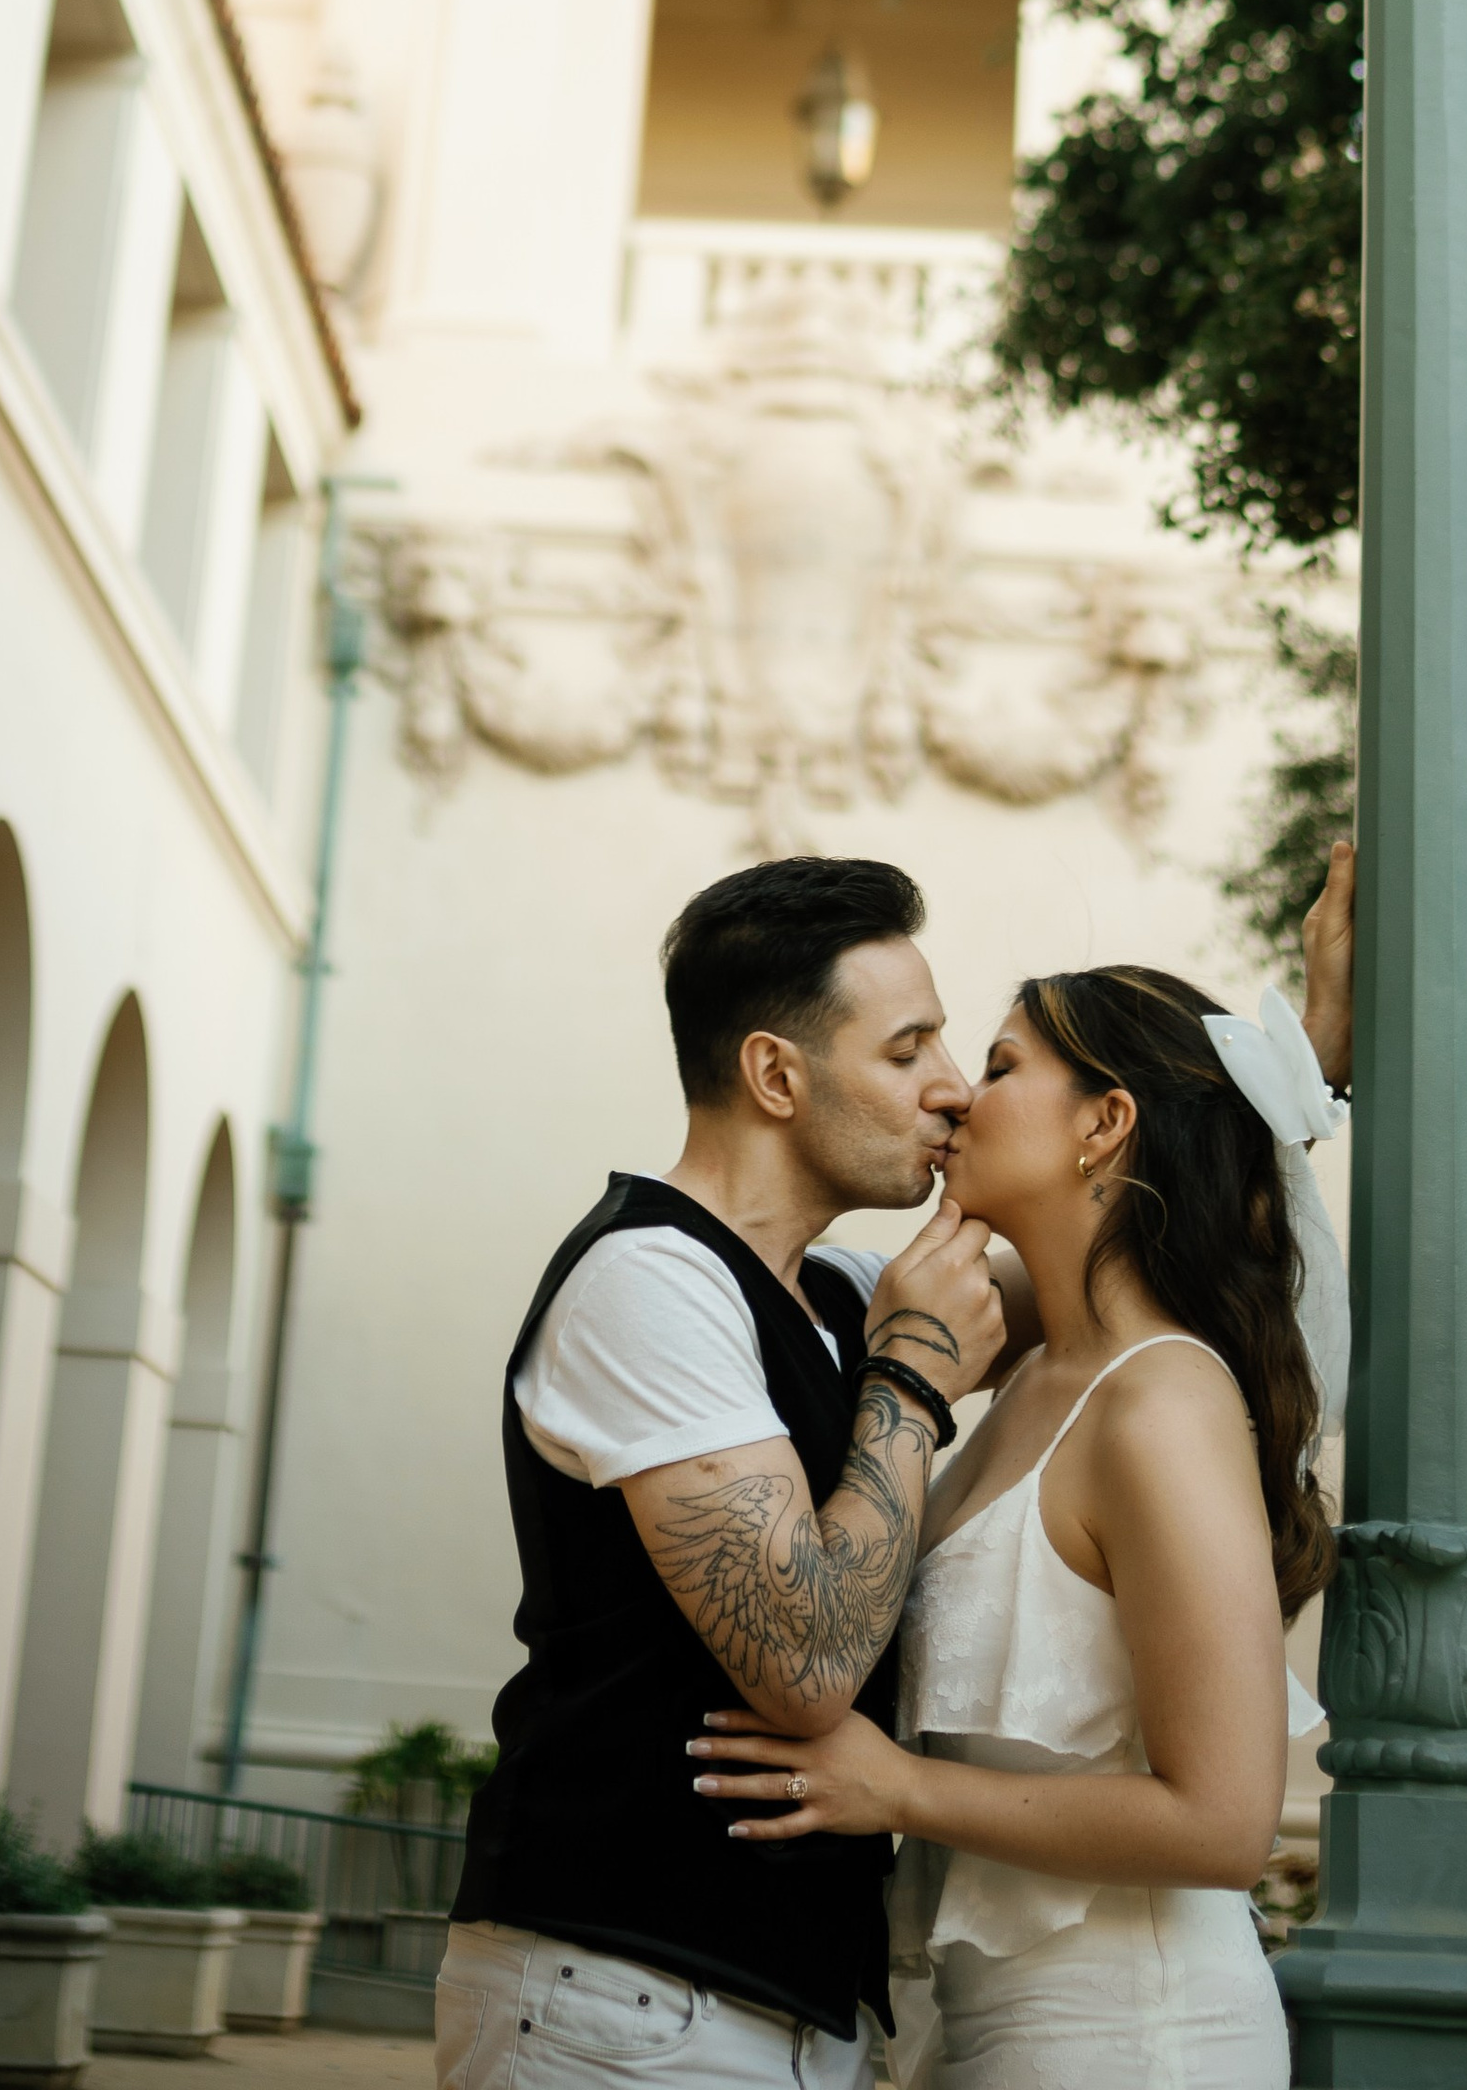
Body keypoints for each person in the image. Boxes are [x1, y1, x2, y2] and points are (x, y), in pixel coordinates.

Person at [689, 930, 1355, 2090]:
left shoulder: (1159, 1406)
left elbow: (1224, 1822)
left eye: (998, 1068)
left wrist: (893, 1790)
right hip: (987, 2027)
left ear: (1102, 1124)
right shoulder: (1030, 1366)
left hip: (1137, 2041)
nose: (953, 1097)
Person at [437, 855, 1006, 2090]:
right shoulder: (648, 1283)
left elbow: (1121, 1278)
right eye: (908, 1052)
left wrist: (1304, 1077)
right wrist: (909, 1382)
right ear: (774, 1075)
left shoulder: (843, 1297)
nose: (954, 1091)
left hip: (775, 2007)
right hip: (626, 2001)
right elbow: (803, 1660)